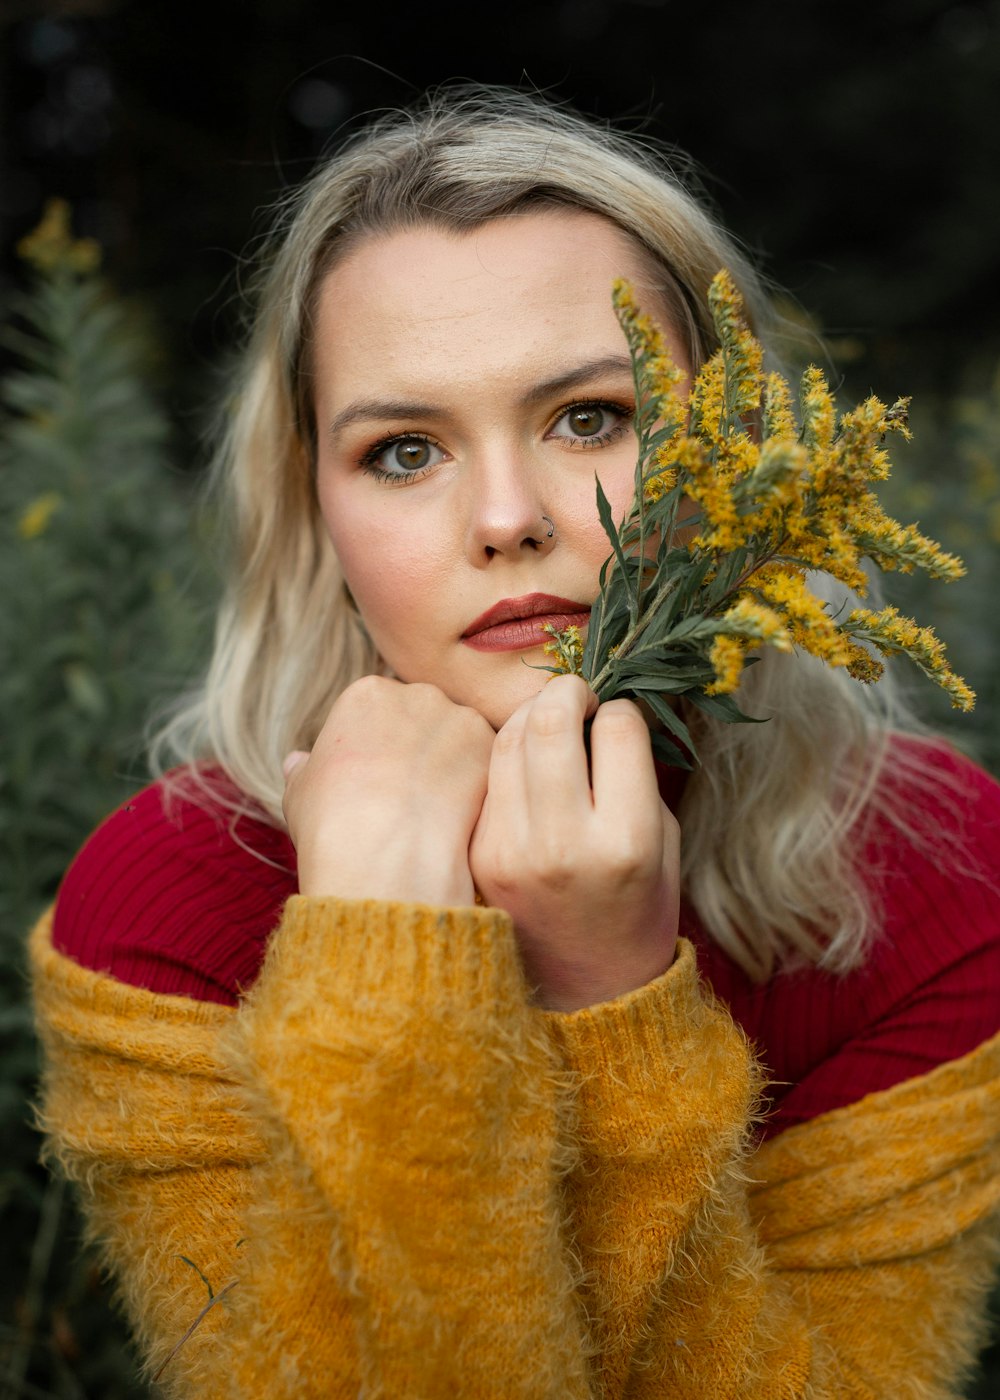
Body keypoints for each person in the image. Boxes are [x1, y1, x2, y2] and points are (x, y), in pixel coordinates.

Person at [31, 86, 1000, 1398]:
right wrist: (385, 972)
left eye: (592, 417)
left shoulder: (938, 884)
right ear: (313, 508)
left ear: (743, 456)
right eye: (404, 448)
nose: (505, 518)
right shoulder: (165, 909)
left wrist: (611, 1003)